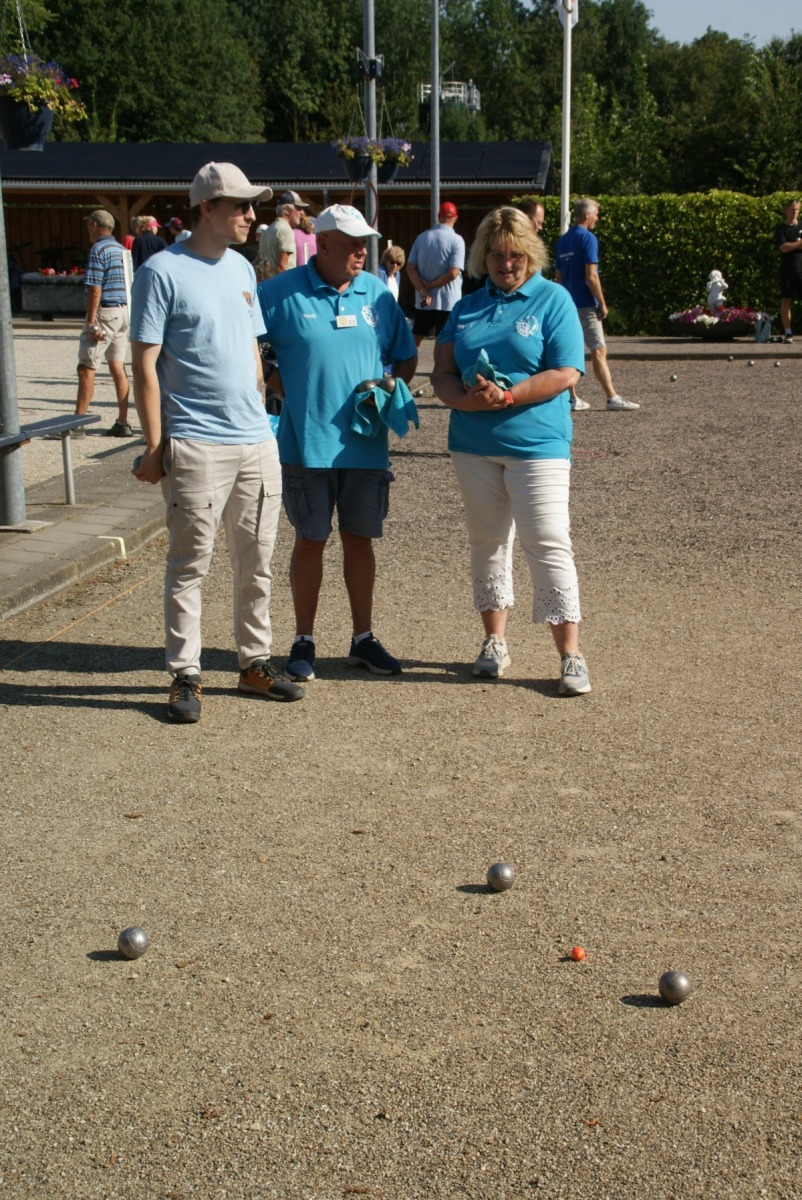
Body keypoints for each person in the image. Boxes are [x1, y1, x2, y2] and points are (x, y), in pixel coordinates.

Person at [130, 161, 305, 724]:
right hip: (196, 443)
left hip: (254, 440)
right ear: (206, 207)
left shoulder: (241, 268)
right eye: (240, 205)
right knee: (190, 565)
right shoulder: (161, 271)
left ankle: (254, 664)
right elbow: (144, 365)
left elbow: (252, 348)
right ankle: (185, 674)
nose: (252, 216)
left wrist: (261, 407)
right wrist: (155, 446)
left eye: (253, 205)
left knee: (257, 561)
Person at [432, 206, 591, 696]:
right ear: (483, 256)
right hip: (472, 445)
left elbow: (567, 371)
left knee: (547, 539)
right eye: (497, 255)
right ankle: (494, 642)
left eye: (516, 255)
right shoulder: (466, 307)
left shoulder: (554, 298)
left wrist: (508, 396)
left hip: (537, 443)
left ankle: (570, 654)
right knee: (487, 542)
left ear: (531, 254)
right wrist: (464, 401)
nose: (506, 264)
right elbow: (441, 374)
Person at [257, 204, 418, 683]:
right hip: (306, 444)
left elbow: (406, 355)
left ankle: (362, 638)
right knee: (311, 539)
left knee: (359, 540)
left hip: (365, 445)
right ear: (322, 243)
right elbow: (249, 348)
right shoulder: (278, 293)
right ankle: (303, 639)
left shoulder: (377, 294)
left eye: (364, 244)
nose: (361, 253)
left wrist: (390, 389)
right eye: (351, 244)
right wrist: (281, 385)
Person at [555, 197, 638, 412]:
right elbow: (591, 276)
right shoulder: (588, 238)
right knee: (599, 350)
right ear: (586, 215)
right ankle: (612, 398)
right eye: (596, 214)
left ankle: (572, 398)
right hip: (585, 303)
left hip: (566, 305)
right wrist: (602, 303)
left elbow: (559, 278)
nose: (597, 218)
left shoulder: (562, 241)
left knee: (568, 352)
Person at [70, 208, 132, 438]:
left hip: (106, 312)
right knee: (118, 366)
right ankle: (123, 422)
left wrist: (90, 321)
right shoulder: (122, 249)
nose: (88, 229)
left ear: (94, 225)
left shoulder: (98, 249)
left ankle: (77, 424)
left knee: (86, 366)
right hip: (124, 312)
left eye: (89, 224)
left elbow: (95, 289)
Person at [405, 201, 465, 347]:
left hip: (424, 300)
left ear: (439, 217)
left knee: (416, 337)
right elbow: (453, 273)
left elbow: (410, 268)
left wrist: (423, 289)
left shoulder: (422, 237)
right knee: (443, 341)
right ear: (455, 218)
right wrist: (431, 285)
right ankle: (439, 363)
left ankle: (406, 361)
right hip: (448, 301)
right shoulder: (457, 240)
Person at [258, 190, 307, 279]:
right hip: (281, 283)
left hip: (266, 282)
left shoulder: (268, 230)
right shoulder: (286, 230)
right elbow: (282, 267)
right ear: (287, 210)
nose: (302, 213)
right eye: (299, 208)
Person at [775, 198, 802, 343]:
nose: (794, 212)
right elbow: (783, 248)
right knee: (786, 300)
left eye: (797, 210)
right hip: (787, 270)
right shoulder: (781, 229)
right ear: (786, 210)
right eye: (792, 210)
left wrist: (792, 245)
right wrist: (799, 243)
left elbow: (788, 246)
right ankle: (788, 332)